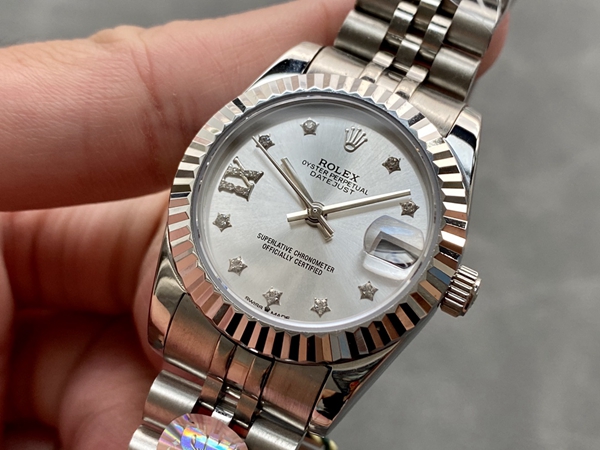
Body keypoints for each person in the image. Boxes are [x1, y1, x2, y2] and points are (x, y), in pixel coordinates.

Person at [0, 0, 509, 448]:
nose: (317, 213)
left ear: (446, 285)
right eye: (314, 210)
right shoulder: (309, 74)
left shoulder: (445, 132)